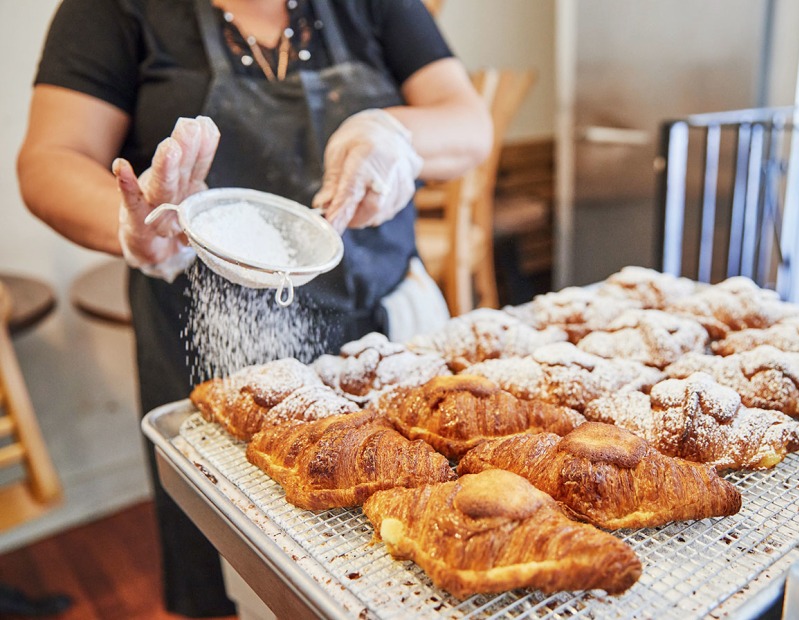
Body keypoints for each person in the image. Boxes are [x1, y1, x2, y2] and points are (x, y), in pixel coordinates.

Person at [17, 0, 492, 616]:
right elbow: (48, 161)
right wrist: (135, 224)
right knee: (233, 566)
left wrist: (393, 135)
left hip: (376, 339)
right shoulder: (113, 10)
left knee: (390, 559)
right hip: (211, 351)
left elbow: (468, 124)